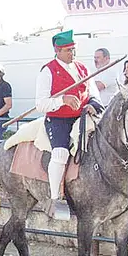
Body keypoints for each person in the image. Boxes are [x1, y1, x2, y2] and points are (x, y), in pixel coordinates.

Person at [34, 30, 103, 220]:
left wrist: (92, 103)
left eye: (73, 49)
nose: (71, 54)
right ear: (57, 50)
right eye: (67, 50)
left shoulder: (83, 68)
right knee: (60, 153)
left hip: (82, 116)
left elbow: (94, 92)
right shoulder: (47, 71)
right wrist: (62, 100)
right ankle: (56, 198)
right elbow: (40, 104)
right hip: (58, 119)